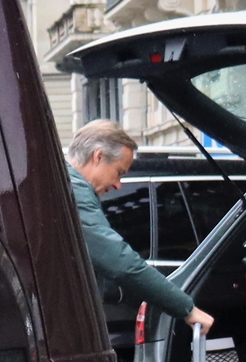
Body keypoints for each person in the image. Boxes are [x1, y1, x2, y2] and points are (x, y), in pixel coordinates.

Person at [67, 120, 216, 338]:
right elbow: (120, 262)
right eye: (119, 172)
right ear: (98, 156)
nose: (119, 185)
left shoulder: (64, 186)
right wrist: (187, 309)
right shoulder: (76, 194)